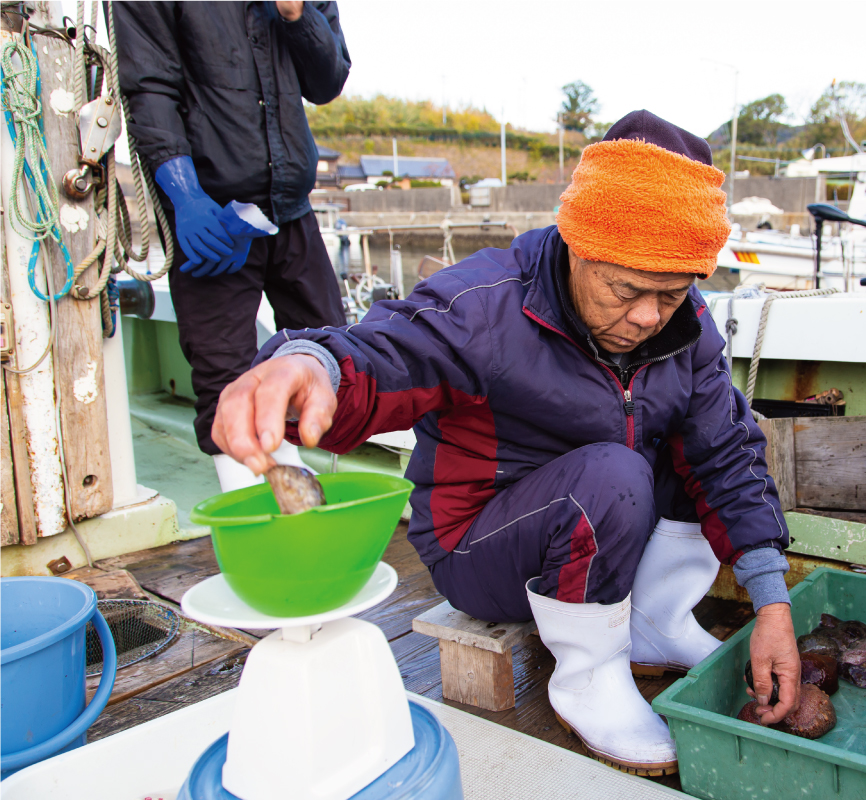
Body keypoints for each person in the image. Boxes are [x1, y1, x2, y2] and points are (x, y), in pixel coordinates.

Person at [211, 110, 801, 774]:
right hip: (482, 547)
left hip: (605, 532)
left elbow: (727, 456)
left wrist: (771, 600)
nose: (645, 317)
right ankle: (589, 677)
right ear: (577, 246)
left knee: (704, 442)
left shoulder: (686, 331)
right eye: (627, 289)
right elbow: (383, 353)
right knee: (614, 473)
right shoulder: (485, 305)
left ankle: (654, 621)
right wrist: (310, 366)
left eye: (669, 293)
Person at [112, 1, 351, 491]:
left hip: (291, 206)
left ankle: (303, 497)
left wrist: (295, 14)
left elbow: (327, 81)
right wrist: (184, 194)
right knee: (222, 375)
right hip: (212, 213)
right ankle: (262, 521)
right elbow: (149, 86)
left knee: (333, 349)